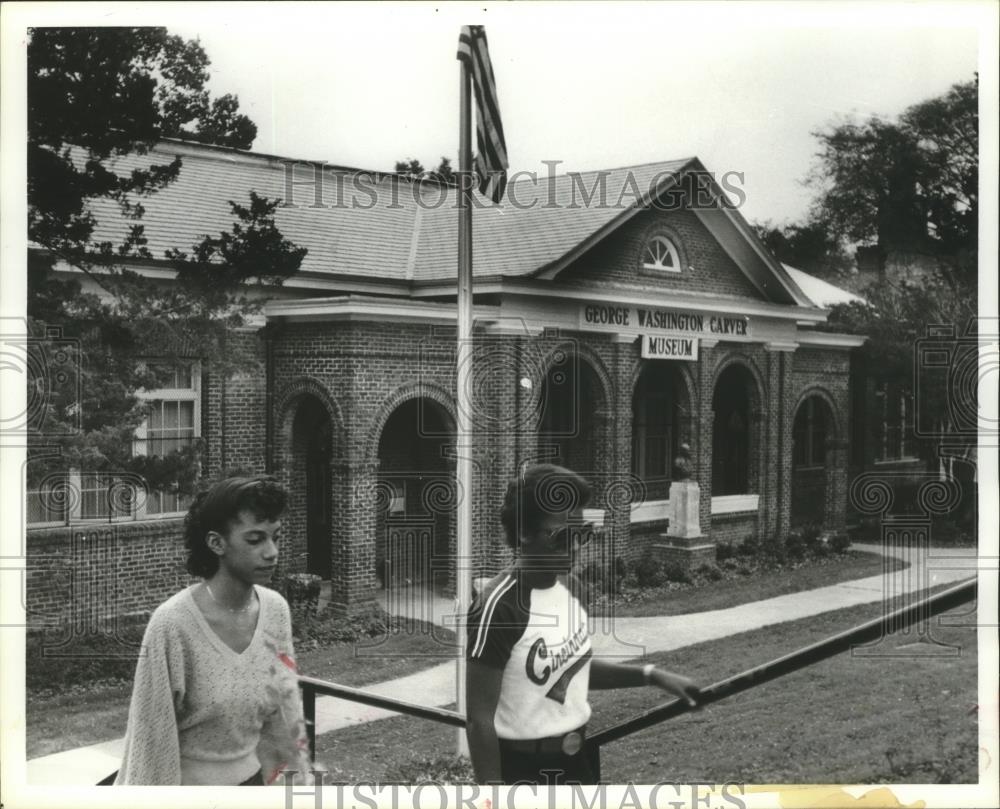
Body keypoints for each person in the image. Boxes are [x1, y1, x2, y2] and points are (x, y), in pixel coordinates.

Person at [465, 463, 702, 785]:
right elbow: (480, 719)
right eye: (562, 536)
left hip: (579, 762)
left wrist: (653, 675)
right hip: (522, 773)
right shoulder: (499, 607)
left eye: (582, 534)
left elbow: (572, 672)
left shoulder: (572, 590)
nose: (575, 547)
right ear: (523, 532)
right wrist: (491, 798)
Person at [115, 475, 313, 785]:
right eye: (255, 539)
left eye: (276, 536)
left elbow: (284, 715)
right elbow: (150, 740)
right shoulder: (172, 624)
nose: (272, 551)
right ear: (216, 543)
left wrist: (295, 788)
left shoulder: (275, 610)